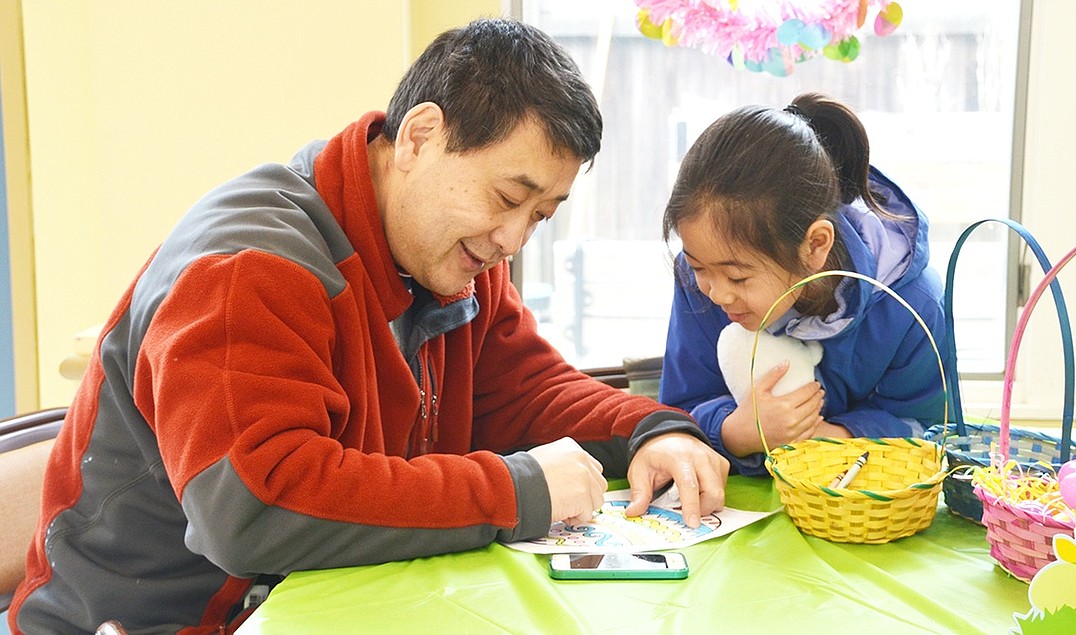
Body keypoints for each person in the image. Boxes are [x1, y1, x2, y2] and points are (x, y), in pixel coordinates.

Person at [10, 18, 728, 633]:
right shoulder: (247, 271)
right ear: (419, 137)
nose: (514, 239)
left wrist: (650, 428)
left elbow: (521, 390)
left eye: (540, 216)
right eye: (509, 198)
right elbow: (257, 506)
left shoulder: (459, 256)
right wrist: (513, 492)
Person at [658, 92, 950, 475]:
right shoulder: (704, 279)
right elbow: (676, 412)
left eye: (739, 277)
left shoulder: (912, 304)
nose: (718, 293)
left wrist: (835, 437)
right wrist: (734, 432)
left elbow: (930, 432)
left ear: (815, 245)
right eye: (699, 267)